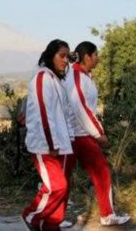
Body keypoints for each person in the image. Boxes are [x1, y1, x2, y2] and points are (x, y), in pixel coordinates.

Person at [62, 41, 130, 226]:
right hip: (72, 135)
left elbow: (89, 108)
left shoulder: (86, 76)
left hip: (82, 134)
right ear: (87, 57)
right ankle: (50, 217)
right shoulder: (75, 75)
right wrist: (98, 133)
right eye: (96, 54)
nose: (98, 58)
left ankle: (107, 215)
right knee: (62, 179)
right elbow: (80, 107)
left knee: (101, 171)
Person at [21, 39, 74, 231]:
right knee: (57, 186)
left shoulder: (55, 80)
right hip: (44, 145)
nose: (65, 60)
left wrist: (69, 140)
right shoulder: (43, 77)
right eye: (62, 55)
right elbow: (44, 112)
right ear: (50, 55)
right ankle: (31, 215)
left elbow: (64, 114)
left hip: (59, 144)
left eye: (68, 56)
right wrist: (52, 143)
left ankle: (51, 226)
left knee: (61, 187)